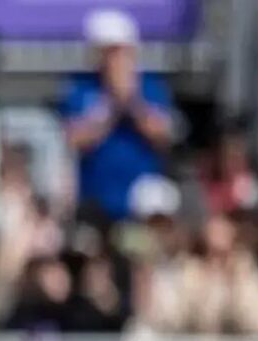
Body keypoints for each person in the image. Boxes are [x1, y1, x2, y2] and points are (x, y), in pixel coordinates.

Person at [62, 9, 174, 221]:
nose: (112, 60)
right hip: (95, 199)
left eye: (117, 51)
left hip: (141, 202)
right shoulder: (81, 87)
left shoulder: (150, 86)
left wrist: (132, 102)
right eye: (106, 52)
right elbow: (74, 138)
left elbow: (162, 135)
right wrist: (111, 104)